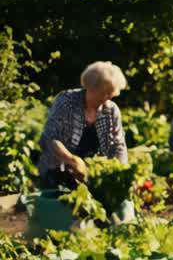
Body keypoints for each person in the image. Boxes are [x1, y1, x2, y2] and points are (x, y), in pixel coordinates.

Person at [36, 61, 128, 189]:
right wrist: (72, 160)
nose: (108, 98)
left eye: (110, 94)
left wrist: (122, 174)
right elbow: (50, 138)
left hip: (92, 176)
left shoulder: (111, 110)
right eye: (104, 93)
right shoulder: (67, 101)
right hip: (58, 172)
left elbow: (119, 146)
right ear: (91, 88)